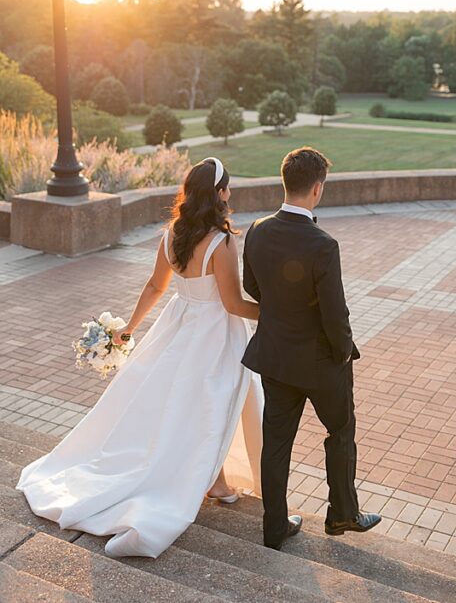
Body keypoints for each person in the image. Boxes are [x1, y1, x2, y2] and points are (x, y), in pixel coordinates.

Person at [17, 157, 263, 558]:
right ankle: (212, 482)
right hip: (214, 333)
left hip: (179, 326)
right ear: (218, 194)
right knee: (213, 405)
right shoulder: (221, 241)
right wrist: (275, 313)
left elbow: (155, 285)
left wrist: (130, 327)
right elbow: (233, 304)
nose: (230, 194)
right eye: (227, 188)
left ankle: (216, 482)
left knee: (192, 404)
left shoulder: (172, 234)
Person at [241, 146, 381, 550]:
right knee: (340, 430)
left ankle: (275, 527)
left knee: (277, 443)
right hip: (322, 364)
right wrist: (343, 352)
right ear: (317, 189)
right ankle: (342, 515)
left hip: (276, 359)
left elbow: (254, 288)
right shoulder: (323, 245)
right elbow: (336, 314)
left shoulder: (257, 230)